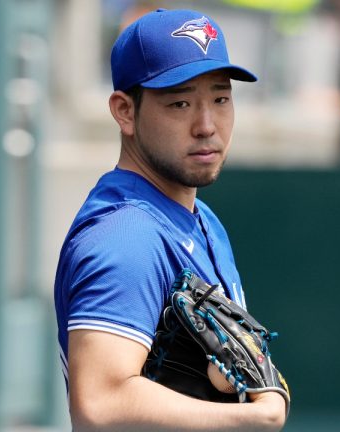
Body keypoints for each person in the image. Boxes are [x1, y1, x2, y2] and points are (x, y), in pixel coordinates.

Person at [53, 8, 287, 431]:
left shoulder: (202, 220)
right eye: (180, 103)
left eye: (220, 99)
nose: (206, 125)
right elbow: (99, 402)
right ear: (124, 111)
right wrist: (251, 417)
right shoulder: (125, 235)